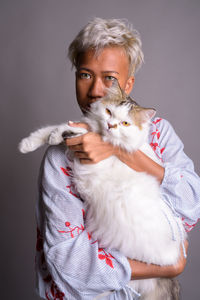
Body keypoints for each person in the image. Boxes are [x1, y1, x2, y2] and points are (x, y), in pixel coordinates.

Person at [35, 18, 200, 299]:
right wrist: (165, 267)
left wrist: (121, 151)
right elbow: (68, 261)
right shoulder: (61, 156)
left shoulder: (160, 134)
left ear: (128, 83)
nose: (97, 90)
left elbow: (191, 204)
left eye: (109, 78)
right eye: (85, 74)